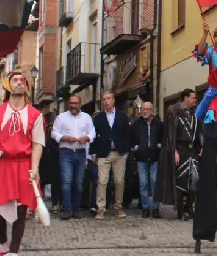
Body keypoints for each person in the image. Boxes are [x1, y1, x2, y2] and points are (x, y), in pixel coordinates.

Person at [0, 70, 45, 256]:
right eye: (15, 80)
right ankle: (3, 244)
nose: (19, 82)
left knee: (21, 209)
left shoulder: (35, 115)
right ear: (9, 86)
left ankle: (14, 253)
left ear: (26, 87)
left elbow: (37, 144)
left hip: (24, 164)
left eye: (22, 80)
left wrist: (34, 168)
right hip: (2, 164)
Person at [157, 89, 202, 223]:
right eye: (193, 98)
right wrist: (174, 151)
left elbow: (199, 131)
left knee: (195, 179)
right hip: (179, 150)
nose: (195, 100)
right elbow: (171, 134)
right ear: (185, 98)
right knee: (180, 181)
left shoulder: (196, 114)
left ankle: (188, 207)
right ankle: (181, 210)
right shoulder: (173, 111)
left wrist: (201, 146)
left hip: (192, 151)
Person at [52, 95, 95, 220]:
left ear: (80, 104)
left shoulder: (86, 118)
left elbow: (92, 132)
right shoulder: (61, 117)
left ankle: (76, 209)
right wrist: (64, 138)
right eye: (71, 103)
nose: (73, 105)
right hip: (66, 152)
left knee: (78, 183)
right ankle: (66, 209)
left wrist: (86, 138)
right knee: (66, 182)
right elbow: (54, 132)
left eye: (76, 103)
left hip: (81, 153)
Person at [92, 91, 132, 219]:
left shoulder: (123, 116)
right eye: (104, 99)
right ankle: (101, 209)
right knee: (102, 181)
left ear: (113, 100)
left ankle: (118, 208)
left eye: (108, 99)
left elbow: (128, 134)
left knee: (119, 181)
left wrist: (126, 150)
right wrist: (93, 153)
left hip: (120, 153)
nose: (106, 101)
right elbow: (94, 137)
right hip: (104, 153)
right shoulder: (98, 118)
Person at [131, 101, 165, 218]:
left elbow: (163, 137)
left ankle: (155, 208)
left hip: (155, 157)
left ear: (152, 111)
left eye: (147, 109)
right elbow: (133, 138)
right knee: (143, 183)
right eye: (143, 109)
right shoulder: (137, 124)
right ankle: (145, 208)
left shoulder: (158, 124)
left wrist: (159, 145)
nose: (144, 111)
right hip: (141, 157)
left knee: (155, 182)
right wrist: (136, 148)